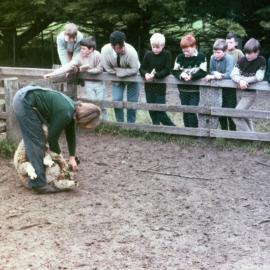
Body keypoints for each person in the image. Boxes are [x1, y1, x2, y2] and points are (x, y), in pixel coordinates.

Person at [13, 84, 100, 194]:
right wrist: (60, 159)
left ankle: (37, 172)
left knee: (37, 141)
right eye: (87, 125)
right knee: (36, 142)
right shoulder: (66, 112)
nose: (85, 128)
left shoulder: (72, 109)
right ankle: (38, 184)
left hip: (25, 97)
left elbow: (71, 134)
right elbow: (52, 138)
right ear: (85, 118)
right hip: (24, 101)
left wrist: (72, 157)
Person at [44, 36, 107, 120]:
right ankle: (95, 122)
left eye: (84, 49)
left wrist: (87, 70)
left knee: (102, 105)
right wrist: (52, 74)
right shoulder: (79, 56)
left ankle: (106, 122)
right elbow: (68, 66)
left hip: (100, 83)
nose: (81, 50)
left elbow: (100, 69)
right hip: (88, 83)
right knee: (93, 105)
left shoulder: (98, 55)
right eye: (81, 48)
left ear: (91, 49)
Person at [101, 31, 140, 123]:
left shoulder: (131, 52)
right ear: (112, 46)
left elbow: (135, 69)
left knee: (132, 101)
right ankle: (120, 124)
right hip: (116, 79)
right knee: (116, 100)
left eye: (123, 45)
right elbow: (107, 68)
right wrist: (118, 73)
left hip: (132, 78)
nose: (122, 49)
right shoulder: (105, 51)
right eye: (119, 47)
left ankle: (131, 125)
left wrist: (121, 72)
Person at [230, 38, 266, 131]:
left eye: (250, 53)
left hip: (250, 94)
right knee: (244, 115)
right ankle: (251, 136)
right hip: (239, 92)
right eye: (246, 53)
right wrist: (241, 81)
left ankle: (248, 136)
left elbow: (259, 76)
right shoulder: (242, 60)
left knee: (236, 115)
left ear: (257, 52)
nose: (247, 55)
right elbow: (233, 74)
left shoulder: (261, 60)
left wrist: (245, 80)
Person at [139, 33, 175, 126]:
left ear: (163, 46)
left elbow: (167, 70)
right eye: (153, 47)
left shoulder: (167, 55)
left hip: (160, 87)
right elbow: (142, 68)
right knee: (151, 109)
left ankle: (171, 128)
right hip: (149, 86)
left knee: (160, 111)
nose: (155, 49)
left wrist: (155, 75)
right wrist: (146, 74)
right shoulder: (148, 55)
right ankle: (156, 127)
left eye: (157, 47)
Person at [172, 34, 207, 128]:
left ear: (194, 47)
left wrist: (192, 76)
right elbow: (175, 70)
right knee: (185, 111)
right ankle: (187, 131)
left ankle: (194, 132)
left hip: (195, 91)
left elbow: (203, 72)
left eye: (187, 50)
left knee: (191, 111)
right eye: (183, 50)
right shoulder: (179, 57)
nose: (185, 52)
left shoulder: (201, 57)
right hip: (182, 90)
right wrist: (181, 75)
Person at [205, 39, 234, 130]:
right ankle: (224, 131)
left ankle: (233, 133)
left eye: (218, 52)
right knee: (220, 111)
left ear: (225, 51)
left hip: (229, 90)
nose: (215, 55)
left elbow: (229, 74)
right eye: (214, 52)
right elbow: (211, 70)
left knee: (230, 111)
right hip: (217, 90)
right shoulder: (212, 57)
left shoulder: (229, 58)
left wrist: (219, 75)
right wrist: (214, 74)